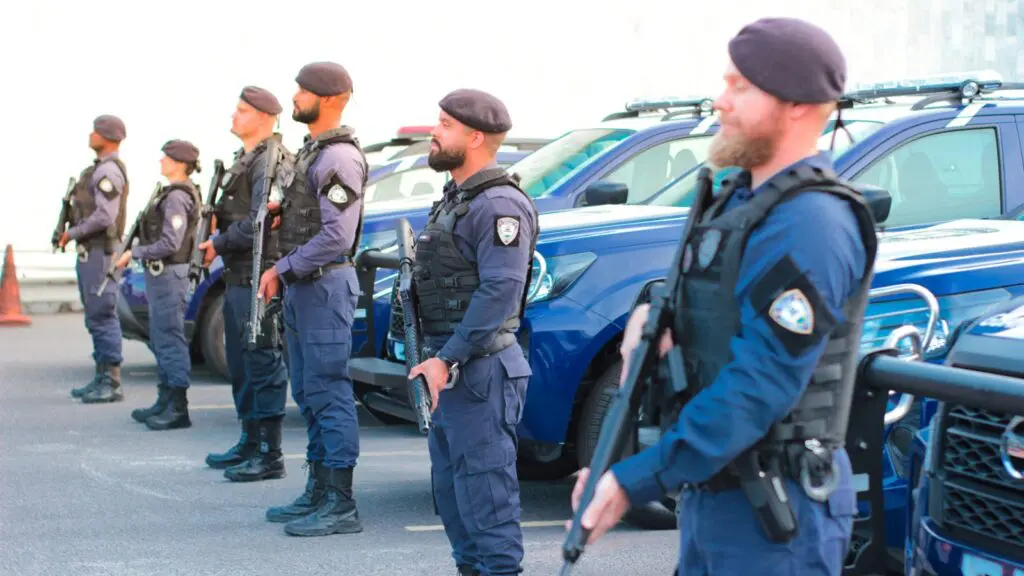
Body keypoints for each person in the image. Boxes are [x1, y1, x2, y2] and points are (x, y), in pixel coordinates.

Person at [570, 17, 876, 575]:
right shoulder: (739, 202)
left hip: (774, 513)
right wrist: (654, 316)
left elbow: (758, 386)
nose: (720, 101)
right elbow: (715, 310)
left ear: (798, 105)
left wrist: (634, 478)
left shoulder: (811, 220)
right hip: (718, 494)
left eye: (741, 87)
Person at [406, 89, 538, 576]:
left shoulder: (499, 205)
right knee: (456, 501)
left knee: (487, 503)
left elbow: (500, 291)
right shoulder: (457, 200)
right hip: (451, 369)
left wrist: (448, 357)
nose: (434, 132)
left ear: (475, 137)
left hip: (480, 373)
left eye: (444, 124)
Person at [258, 61, 367, 537]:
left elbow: (337, 236)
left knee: (328, 391)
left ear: (326, 98)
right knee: (308, 391)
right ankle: (319, 490)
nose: (294, 97)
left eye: (302, 91)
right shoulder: (313, 152)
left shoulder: (337, 157)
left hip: (324, 285)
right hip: (307, 287)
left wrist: (280, 267)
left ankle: (340, 503)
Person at [198, 86, 291, 482]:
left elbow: (260, 221)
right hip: (238, 274)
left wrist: (217, 242)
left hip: (258, 275)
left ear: (263, 117)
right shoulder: (248, 159)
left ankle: (270, 454)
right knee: (242, 363)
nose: (234, 116)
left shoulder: (269, 161)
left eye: (242, 111)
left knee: (262, 362)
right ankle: (249, 440)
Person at [117, 139, 202, 431]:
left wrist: (134, 253)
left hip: (169, 275)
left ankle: (178, 407)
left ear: (179, 163)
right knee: (161, 336)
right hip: (161, 275)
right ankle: (165, 399)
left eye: (166, 158)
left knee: (170, 338)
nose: (161, 162)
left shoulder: (178, 197)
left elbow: (170, 242)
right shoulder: (169, 194)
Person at [66, 115, 130, 404]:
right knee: (95, 316)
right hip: (92, 252)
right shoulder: (98, 170)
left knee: (103, 314)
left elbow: (105, 215)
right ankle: (101, 374)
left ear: (107, 136)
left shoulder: (108, 172)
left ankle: (111, 381)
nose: (91, 135)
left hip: (100, 253)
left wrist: (73, 233)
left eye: (96, 131)